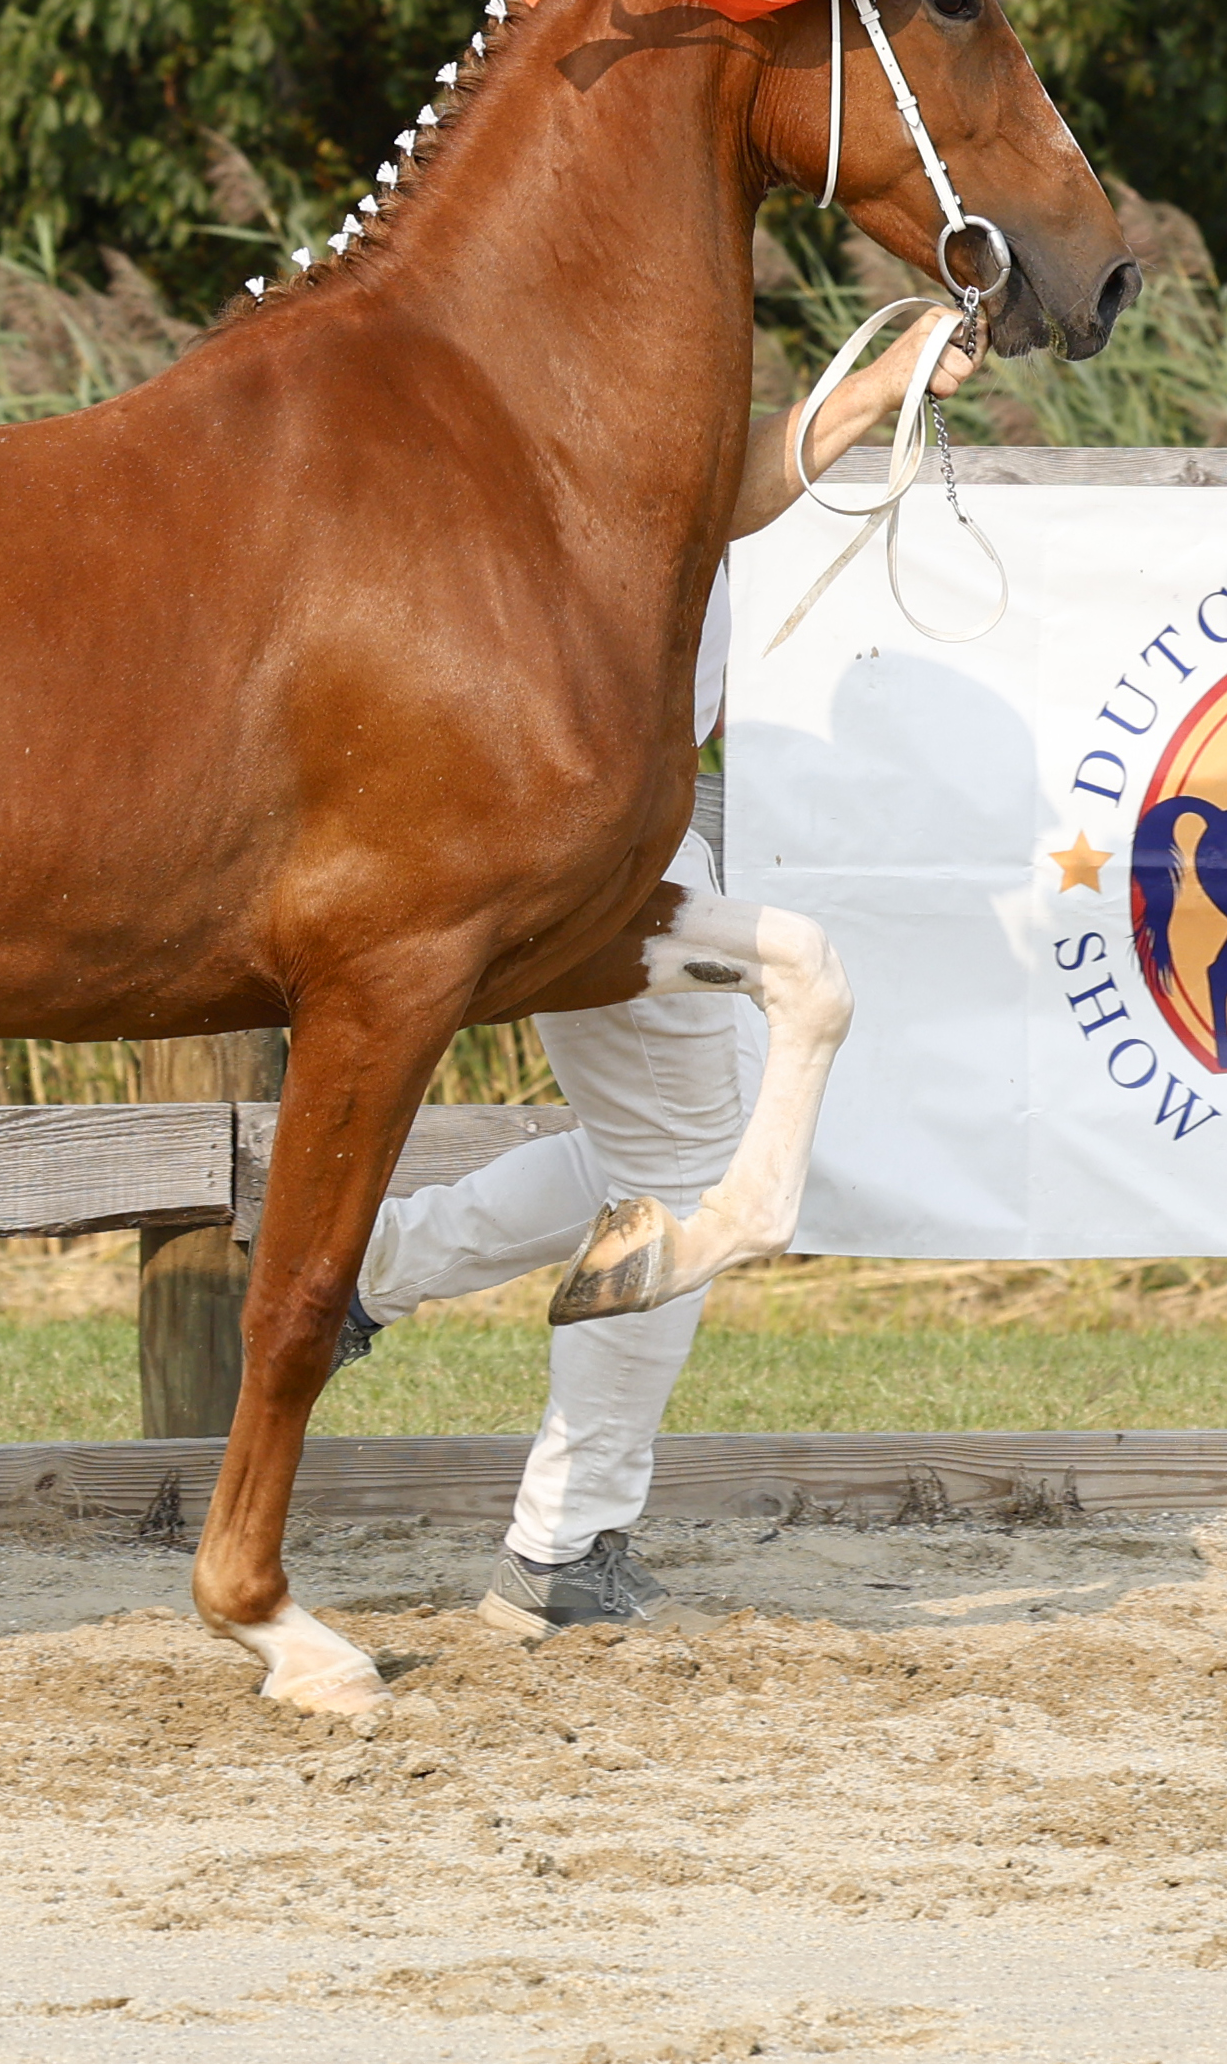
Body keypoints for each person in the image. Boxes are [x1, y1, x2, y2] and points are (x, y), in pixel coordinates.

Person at [344, 301, 981, 1634]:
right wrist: (879, 387)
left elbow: (719, 493)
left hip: (632, 826)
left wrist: (880, 387)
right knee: (684, 1172)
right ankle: (562, 1545)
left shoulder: (566, 393)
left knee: (664, 1149)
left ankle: (371, 1270)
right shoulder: (589, 413)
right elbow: (701, 500)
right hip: (610, 841)